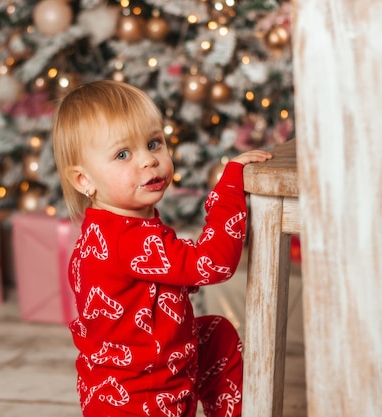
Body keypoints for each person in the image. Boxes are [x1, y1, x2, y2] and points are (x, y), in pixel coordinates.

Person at [52, 80, 272, 417]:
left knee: (215, 334)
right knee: (215, 333)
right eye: (122, 154)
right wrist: (230, 189)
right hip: (137, 402)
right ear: (84, 180)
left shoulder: (111, 229)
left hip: (154, 372)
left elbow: (155, 284)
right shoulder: (127, 239)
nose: (149, 161)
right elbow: (212, 264)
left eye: (154, 143)